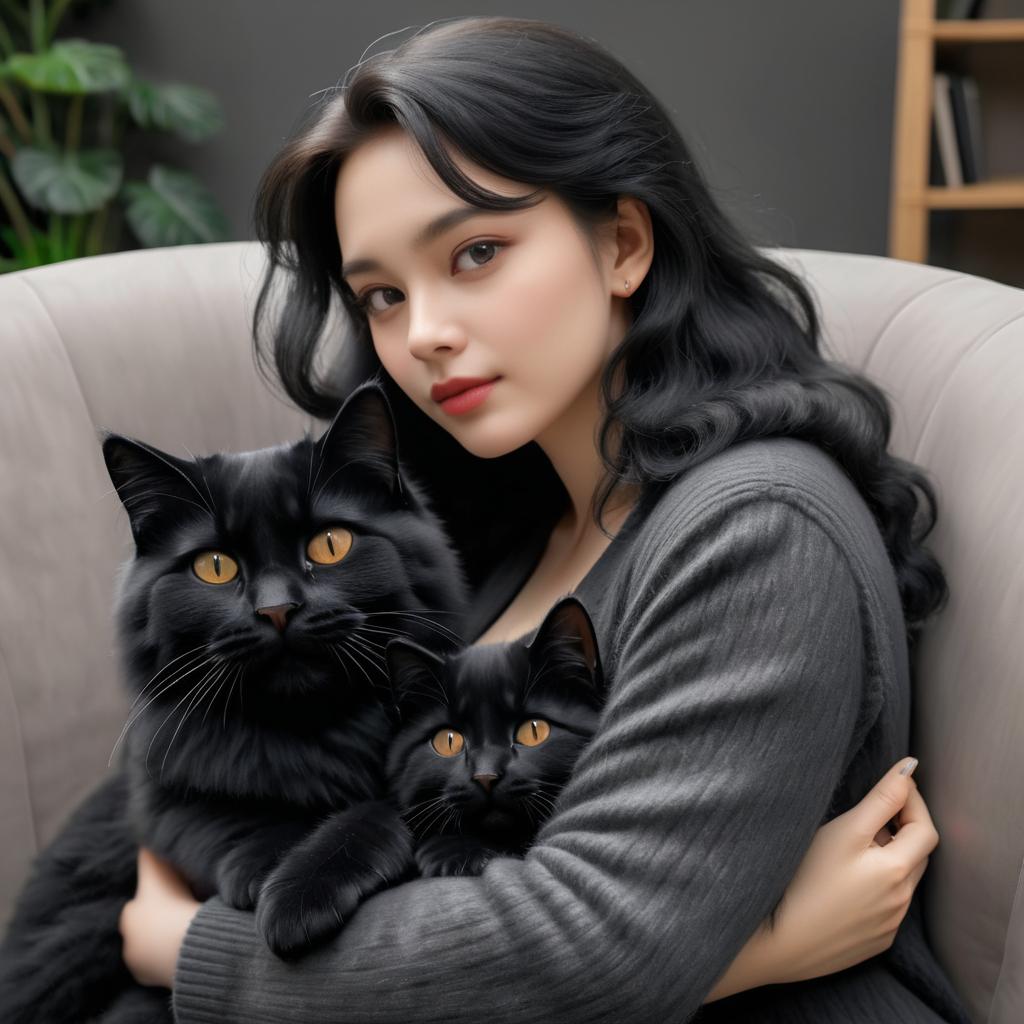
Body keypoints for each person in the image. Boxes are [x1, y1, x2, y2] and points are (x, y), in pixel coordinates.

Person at [117, 15, 970, 1022]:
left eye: (476, 252)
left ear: (622, 243)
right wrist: (749, 945)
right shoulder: (501, 529)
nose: (424, 333)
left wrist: (193, 951)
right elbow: (227, 758)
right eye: (382, 295)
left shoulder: (758, 529)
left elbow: (591, 951)